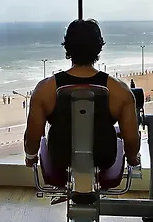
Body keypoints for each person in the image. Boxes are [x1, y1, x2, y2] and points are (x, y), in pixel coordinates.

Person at [24, 19, 141, 168]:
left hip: (59, 161)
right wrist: (132, 158)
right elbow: (131, 139)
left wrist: (31, 157)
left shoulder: (44, 89)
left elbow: (32, 137)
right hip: (104, 161)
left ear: (67, 46)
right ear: (99, 47)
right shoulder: (120, 91)